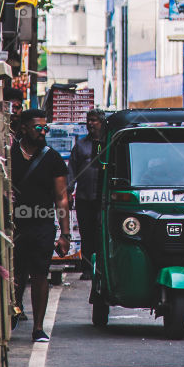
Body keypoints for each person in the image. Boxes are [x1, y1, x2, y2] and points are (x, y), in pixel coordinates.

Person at [10, 108, 70, 342]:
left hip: (42, 224)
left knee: (39, 275)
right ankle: (13, 310)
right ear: (24, 128)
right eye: (38, 127)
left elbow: (61, 197)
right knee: (13, 274)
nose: (43, 131)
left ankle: (37, 327)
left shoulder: (52, 158)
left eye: (46, 127)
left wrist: (65, 234)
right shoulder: (9, 153)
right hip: (12, 226)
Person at [68, 109, 104, 280]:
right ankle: (88, 268)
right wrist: (68, 192)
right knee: (86, 234)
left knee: (102, 234)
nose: (90, 124)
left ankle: (103, 269)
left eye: (94, 120)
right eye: (88, 120)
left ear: (102, 122)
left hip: (104, 200)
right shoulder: (81, 145)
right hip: (84, 198)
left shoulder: (109, 142)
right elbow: (72, 171)